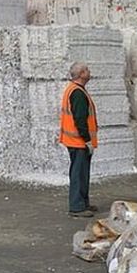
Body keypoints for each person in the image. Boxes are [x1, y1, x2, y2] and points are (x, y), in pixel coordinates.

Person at [59, 62, 99, 217]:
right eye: (87, 70)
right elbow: (80, 119)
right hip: (78, 141)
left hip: (75, 140)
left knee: (82, 173)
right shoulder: (77, 93)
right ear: (81, 74)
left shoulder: (75, 90)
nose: (89, 72)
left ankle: (83, 202)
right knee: (78, 173)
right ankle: (76, 207)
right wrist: (87, 140)